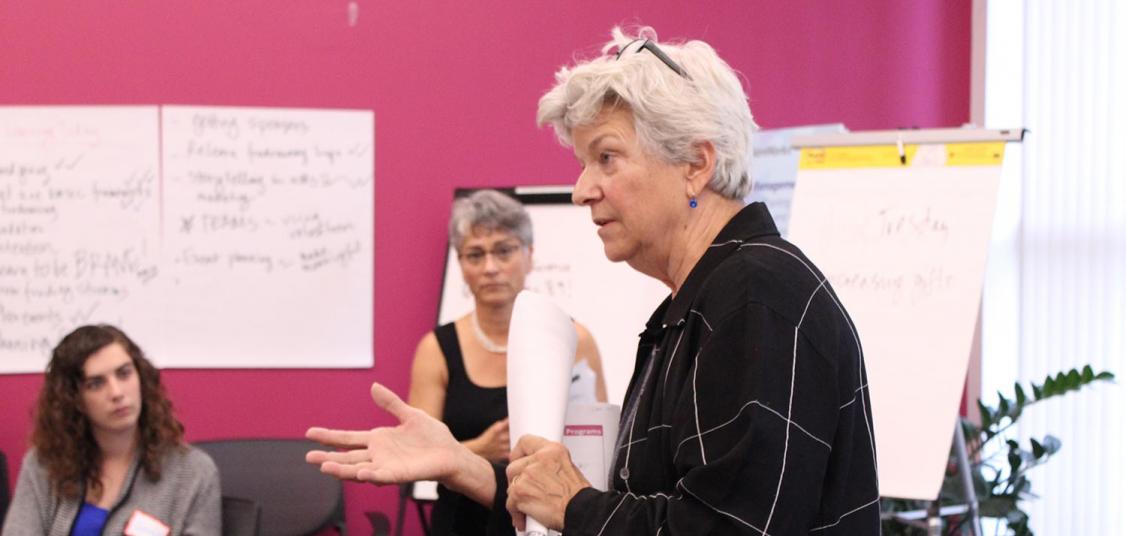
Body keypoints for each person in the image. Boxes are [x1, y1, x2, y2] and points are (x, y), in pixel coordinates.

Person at [307, 26, 880, 534]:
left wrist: (575, 505)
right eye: (584, 164)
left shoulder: (756, 295)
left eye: (606, 158)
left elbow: (724, 527)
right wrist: (469, 467)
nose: (582, 190)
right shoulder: (703, 302)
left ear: (696, 164)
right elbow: (648, 506)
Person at [409, 189, 608, 535]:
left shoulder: (574, 341)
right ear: (461, 265)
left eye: (504, 251)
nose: (490, 268)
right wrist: (478, 450)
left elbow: (599, 445)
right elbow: (416, 458)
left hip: (548, 522)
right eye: (475, 254)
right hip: (461, 523)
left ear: (529, 255)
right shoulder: (436, 349)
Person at [2, 325, 221, 536]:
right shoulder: (44, 465)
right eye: (96, 384)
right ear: (74, 400)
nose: (116, 393)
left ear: (141, 378)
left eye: (124, 374)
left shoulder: (192, 473)